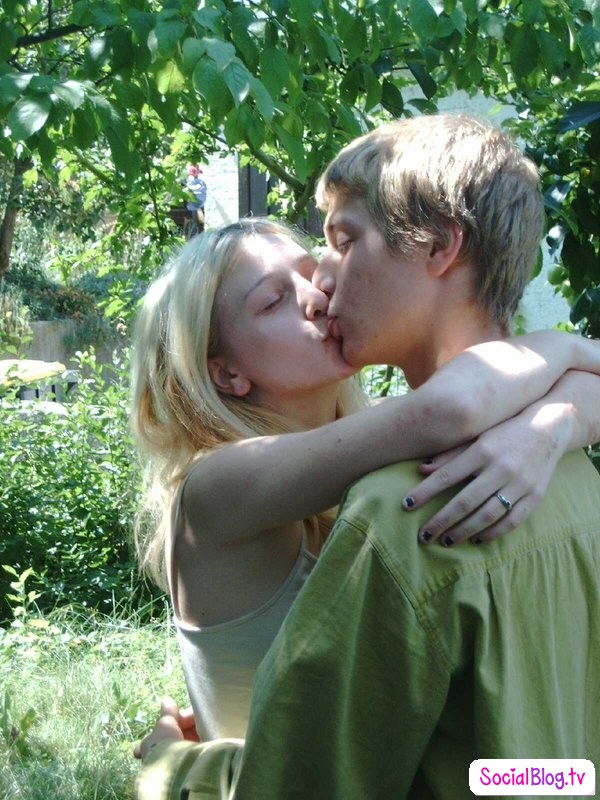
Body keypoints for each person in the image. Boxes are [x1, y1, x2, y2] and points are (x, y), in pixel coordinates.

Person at [135, 115, 600, 799]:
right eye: (274, 300)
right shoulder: (572, 480)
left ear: (439, 246)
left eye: (341, 244)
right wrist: (572, 362)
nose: (321, 287)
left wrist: (172, 772)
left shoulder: (405, 504)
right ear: (224, 371)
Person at [184, 164, 207, 236]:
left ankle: (197, 233)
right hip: (193, 204)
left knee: (198, 222)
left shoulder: (200, 182)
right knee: (195, 222)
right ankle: (196, 233)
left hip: (197, 204)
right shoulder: (193, 182)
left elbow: (197, 189)